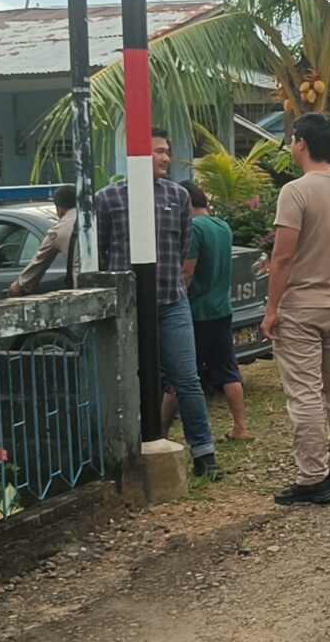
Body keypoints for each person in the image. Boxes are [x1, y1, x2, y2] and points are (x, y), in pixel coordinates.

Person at [96, 127, 221, 479]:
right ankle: (124, 454)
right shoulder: (108, 199)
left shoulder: (178, 196)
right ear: (135, 156)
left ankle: (204, 454)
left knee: (187, 377)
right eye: (158, 151)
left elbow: (181, 247)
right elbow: (102, 253)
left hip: (171, 301)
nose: (166, 157)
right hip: (127, 309)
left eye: (167, 151)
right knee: (127, 380)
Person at [262, 113, 330, 506]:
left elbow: (283, 256)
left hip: (302, 305)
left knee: (304, 392)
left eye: (292, 140)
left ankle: (312, 477)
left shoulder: (295, 191)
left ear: (301, 143)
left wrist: (272, 307)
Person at [158, 181, 251, 445]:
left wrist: (173, 301)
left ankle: (161, 433)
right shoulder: (222, 226)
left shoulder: (194, 228)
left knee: (181, 376)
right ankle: (241, 427)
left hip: (196, 312)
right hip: (222, 309)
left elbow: (187, 272)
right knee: (228, 369)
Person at [9, 184, 79, 297]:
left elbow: (39, 262)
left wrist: (20, 285)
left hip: (84, 288)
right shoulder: (95, 216)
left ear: (59, 209)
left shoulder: (58, 231)